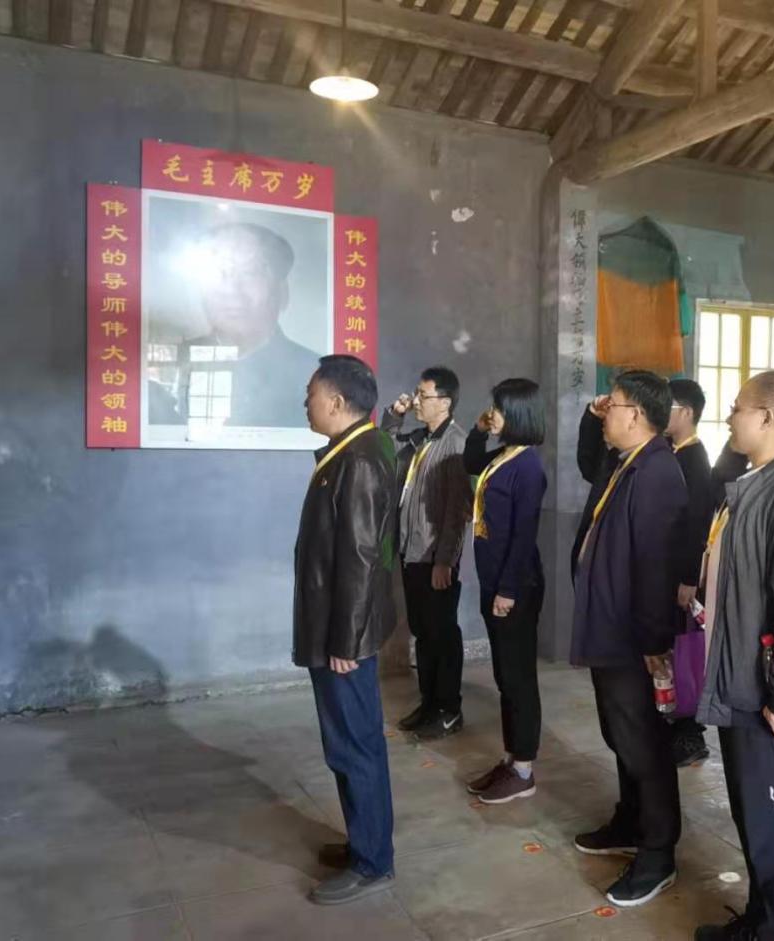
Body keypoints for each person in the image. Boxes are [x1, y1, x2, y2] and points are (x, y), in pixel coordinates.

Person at [690, 372, 774, 941]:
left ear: (769, 417)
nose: (729, 418)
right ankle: (760, 921)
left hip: (765, 691)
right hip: (739, 680)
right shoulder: (756, 481)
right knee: (754, 813)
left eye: (738, 409)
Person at [570, 370, 689, 908]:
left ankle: (658, 852)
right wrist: (594, 418)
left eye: (613, 406)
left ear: (637, 415)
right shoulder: (629, 462)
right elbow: (590, 464)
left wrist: (652, 643)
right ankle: (630, 820)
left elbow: (656, 568)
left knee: (644, 744)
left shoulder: (658, 472)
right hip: (611, 627)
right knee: (621, 734)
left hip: (632, 637)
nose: (606, 413)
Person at [293, 354, 400, 905]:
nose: (305, 402)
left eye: (311, 393)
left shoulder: (358, 460)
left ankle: (372, 861)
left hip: (343, 638)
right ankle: (366, 840)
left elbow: (360, 560)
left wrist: (346, 642)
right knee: (353, 740)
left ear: (336, 402)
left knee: (353, 744)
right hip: (341, 629)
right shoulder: (355, 449)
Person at [459, 378, 551, 804]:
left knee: (518, 679)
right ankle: (512, 758)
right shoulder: (504, 456)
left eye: (497, 408)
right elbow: (470, 462)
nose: (492, 413)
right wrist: (479, 429)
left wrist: (508, 590)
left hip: (515, 587)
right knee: (505, 676)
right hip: (495, 582)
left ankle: (524, 769)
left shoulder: (528, 467)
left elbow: (523, 536)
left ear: (518, 414)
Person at [149, 223, 324, 428]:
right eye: (217, 272)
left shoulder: (318, 374)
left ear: (282, 292)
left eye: (249, 273)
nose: (231, 289)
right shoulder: (169, 363)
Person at [382, 366, 472, 741]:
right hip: (411, 553)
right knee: (423, 633)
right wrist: (394, 415)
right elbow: (386, 448)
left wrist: (444, 560)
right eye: (417, 393)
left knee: (442, 635)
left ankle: (449, 709)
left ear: (445, 402)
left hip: (434, 558)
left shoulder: (456, 444)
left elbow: (457, 511)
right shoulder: (421, 440)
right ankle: (429, 703)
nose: (417, 400)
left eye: (424, 395)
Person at [667, 378, 723, 768]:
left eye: (667, 406)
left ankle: (690, 735)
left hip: (682, 578)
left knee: (683, 655)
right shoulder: (672, 452)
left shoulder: (694, 459)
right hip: (669, 572)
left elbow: (698, 523)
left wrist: (689, 578)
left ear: (686, 412)